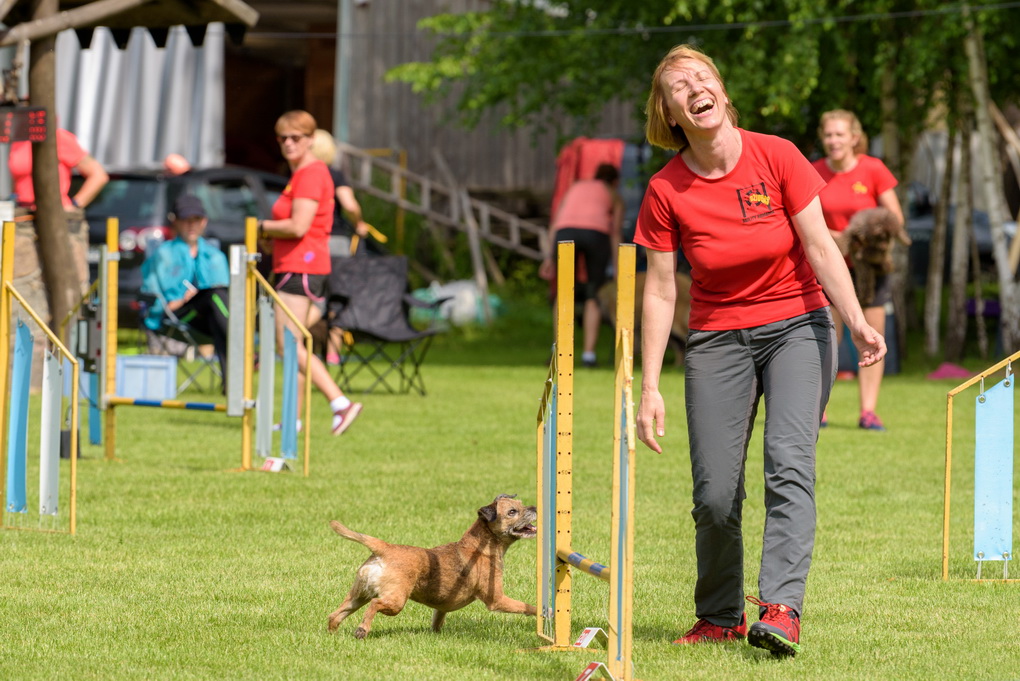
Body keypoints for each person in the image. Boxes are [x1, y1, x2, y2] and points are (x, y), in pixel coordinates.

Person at [634, 44, 886, 657]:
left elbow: (823, 246)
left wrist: (854, 321)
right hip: (717, 338)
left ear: (720, 89)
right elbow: (662, 290)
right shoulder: (666, 189)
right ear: (670, 115)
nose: (694, 87)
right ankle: (718, 613)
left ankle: (780, 608)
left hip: (798, 324)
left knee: (788, 464)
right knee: (715, 491)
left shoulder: (778, 155)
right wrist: (648, 386)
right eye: (678, 86)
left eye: (702, 76)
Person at [258, 110, 362, 436]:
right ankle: (294, 418)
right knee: (295, 346)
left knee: (287, 345)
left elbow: (299, 225)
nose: (289, 144)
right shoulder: (302, 174)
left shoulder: (310, 174)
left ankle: (339, 403)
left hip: (300, 266)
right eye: (283, 138)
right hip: (301, 266)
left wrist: (260, 227)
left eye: (296, 138)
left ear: (311, 140)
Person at [812, 109, 909, 431]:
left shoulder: (873, 169)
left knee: (870, 337)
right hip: (829, 267)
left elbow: (895, 219)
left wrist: (863, 236)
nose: (833, 141)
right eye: (828, 135)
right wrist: (835, 240)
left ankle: (868, 411)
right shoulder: (813, 172)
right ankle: (819, 410)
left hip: (870, 270)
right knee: (826, 336)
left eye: (840, 134)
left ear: (854, 138)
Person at [538, 163, 624, 368]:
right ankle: (588, 355)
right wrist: (621, 269)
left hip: (565, 232)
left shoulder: (576, 187)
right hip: (596, 234)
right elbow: (615, 234)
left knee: (564, 292)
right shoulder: (613, 194)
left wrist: (549, 257)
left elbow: (556, 222)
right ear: (614, 181)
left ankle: (559, 350)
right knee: (594, 293)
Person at [140, 195, 231, 380]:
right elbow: (150, 293)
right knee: (216, 296)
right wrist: (181, 300)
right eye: (185, 220)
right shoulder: (164, 253)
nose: (191, 225)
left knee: (216, 304)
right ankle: (242, 343)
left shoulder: (215, 256)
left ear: (204, 221)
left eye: (196, 219)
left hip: (209, 318)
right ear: (175, 221)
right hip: (177, 315)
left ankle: (229, 386)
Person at [309, 128, 371, 366]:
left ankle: (303, 344)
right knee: (337, 298)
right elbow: (350, 204)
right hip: (336, 242)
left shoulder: (305, 175)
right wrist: (359, 223)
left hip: (312, 243)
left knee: (314, 297)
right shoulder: (335, 175)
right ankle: (333, 353)